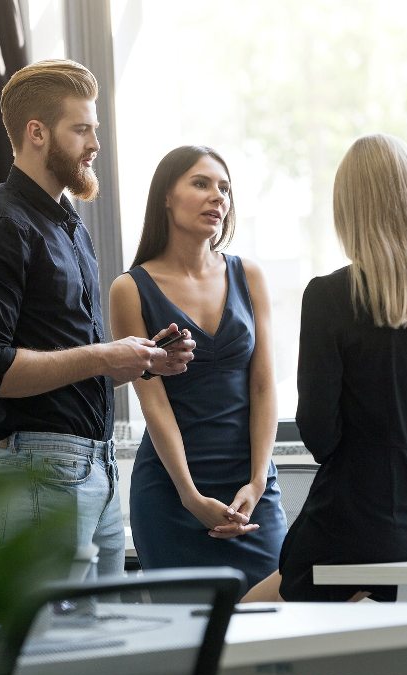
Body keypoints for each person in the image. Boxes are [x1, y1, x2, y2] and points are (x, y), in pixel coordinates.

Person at [0, 59, 195, 579]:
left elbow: (70, 363)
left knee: (101, 633)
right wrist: (105, 356)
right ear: (37, 133)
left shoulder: (70, 227)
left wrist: (140, 361)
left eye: (95, 129)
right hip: (41, 471)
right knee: (53, 633)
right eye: (81, 129)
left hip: (94, 469)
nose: (95, 144)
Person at [243, 133, 407, 602]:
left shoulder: (330, 296)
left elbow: (319, 435)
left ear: (349, 209)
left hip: (348, 529)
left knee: (240, 626)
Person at [108, 145, 286, 589]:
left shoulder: (249, 276)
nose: (218, 197)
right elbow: (153, 402)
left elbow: (264, 387)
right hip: (171, 493)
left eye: (224, 188)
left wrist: (258, 482)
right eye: (201, 183)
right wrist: (189, 495)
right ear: (166, 197)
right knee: (191, 628)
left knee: (276, 615)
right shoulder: (129, 289)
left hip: (252, 489)